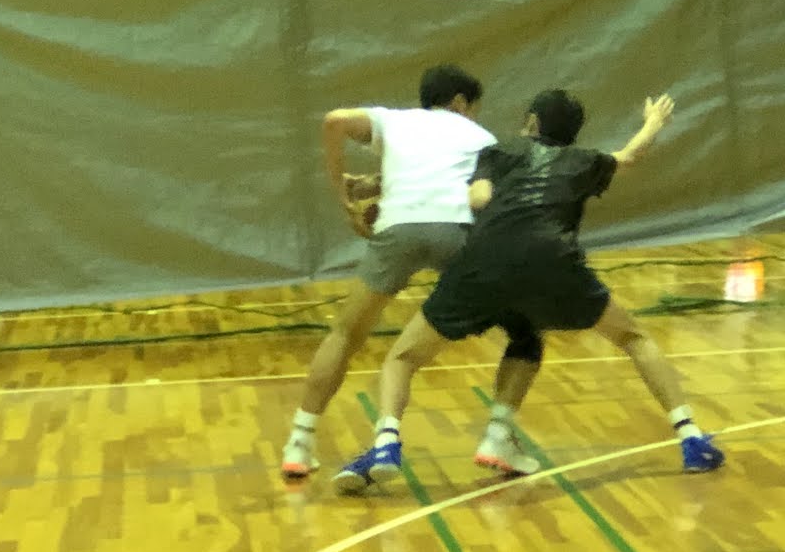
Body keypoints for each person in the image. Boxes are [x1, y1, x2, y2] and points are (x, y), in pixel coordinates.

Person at [333, 90, 723, 493]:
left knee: (403, 357)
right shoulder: (584, 161)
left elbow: (478, 197)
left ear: (533, 122)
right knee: (627, 337)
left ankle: (386, 444)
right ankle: (690, 438)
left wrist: (384, 193)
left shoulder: (498, 152)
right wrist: (654, 122)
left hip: (483, 262)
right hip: (552, 262)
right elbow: (629, 156)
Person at [282, 63, 549, 480]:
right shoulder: (481, 137)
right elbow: (476, 189)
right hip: (459, 232)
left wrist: (347, 198)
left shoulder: (393, 121)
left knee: (346, 334)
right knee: (525, 331)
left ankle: (300, 442)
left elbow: (334, 121)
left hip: (398, 229)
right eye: (474, 107)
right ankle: (499, 436)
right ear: (460, 102)